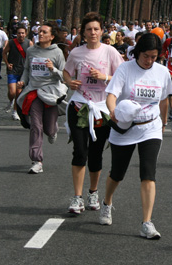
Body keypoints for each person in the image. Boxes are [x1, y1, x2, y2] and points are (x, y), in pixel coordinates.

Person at [100, 33, 172, 239]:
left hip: (150, 127)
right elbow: (111, 95)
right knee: (117, 173)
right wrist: (113, 112)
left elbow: (164, 100)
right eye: (146, 56)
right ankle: (107, 202)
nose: (149, 61)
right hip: (124, 128)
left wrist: (164, 124)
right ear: (137, 52)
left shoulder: (162, 72)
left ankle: (147, 222)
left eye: (154, 57)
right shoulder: (125, 69)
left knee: (148, 173)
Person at [63, 12, 123, 214]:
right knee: (80, 151)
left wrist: (104, 76)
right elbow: (66, 72)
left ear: (102, 31)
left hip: (101, 109)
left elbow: (122, 77)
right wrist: (69, 82)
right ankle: (77, 197)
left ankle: (93, 192)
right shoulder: (76, 53)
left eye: (96, 29)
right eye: (89, 29)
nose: (93, 32)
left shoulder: (110, 52)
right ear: (83, 32)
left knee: (96, 153)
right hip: (80, 106)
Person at [17, 22, 67, 174]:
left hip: (50, 93)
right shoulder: (32, 50)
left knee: (48, 128)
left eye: (44, 32)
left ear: (51, 36)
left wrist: (53, 69)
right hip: (34, 91)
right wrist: (23, 81)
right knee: (35, 125)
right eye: (39, 32)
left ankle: (53, 131)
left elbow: (64, 75)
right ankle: (37, 160)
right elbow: (27, 69)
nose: (40, 34)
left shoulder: (57, 52)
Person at [3, 25, 33, 120]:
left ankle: (15, 112)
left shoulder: (29, 43)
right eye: (19, 33)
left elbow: (33, 56)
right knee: (12, 92)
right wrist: (7, 63)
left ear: (26, 33)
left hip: (23, 72)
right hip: (13, 70)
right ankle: (11, 101)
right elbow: (4, 53)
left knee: (18, 93)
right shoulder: (12, 43)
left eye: (22, 33)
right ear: (16, 34)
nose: (21, 35)